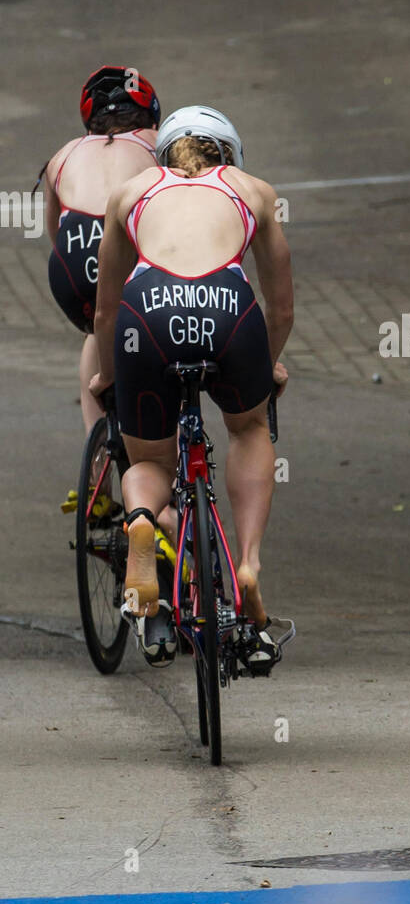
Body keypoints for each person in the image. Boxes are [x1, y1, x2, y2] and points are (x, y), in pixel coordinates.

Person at [89, 105, 294, 670]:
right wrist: (267, 367)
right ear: (227, 154)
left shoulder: (131, 192)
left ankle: (138, 523)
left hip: (147, 312)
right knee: (249, 428)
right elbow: (280, 306)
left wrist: (109, 375)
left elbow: (106, 310)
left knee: (149, 460)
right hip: (229, 311)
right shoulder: (253, 190)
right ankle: (248, 563)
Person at [42, 67, 161, 446]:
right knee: (156, 335)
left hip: (73, 262)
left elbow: (54, 234)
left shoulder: (62, 155)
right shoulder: (159, 144)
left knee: (97, 330)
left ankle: (97, 468)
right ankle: (165, 467)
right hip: (128, 252)